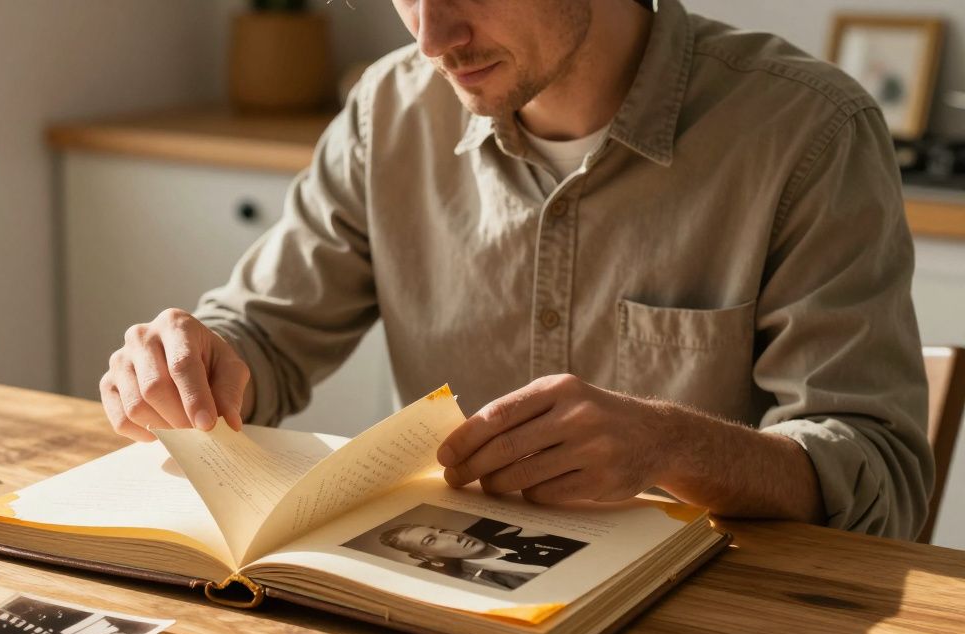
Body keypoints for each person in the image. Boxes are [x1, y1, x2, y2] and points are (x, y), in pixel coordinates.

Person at [99, 0, 932, 539]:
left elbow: (879, 478)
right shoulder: (387, 111)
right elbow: (265, 338)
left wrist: (669, 445)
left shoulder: (808, 132)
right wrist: (195, 362)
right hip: (441, 609)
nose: (431, 38)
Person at [379, 521, 582, 590]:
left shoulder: (524, 534)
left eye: (440, 530)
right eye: (431, 541)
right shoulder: (480, 581)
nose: (452, 537)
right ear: (426, 557)